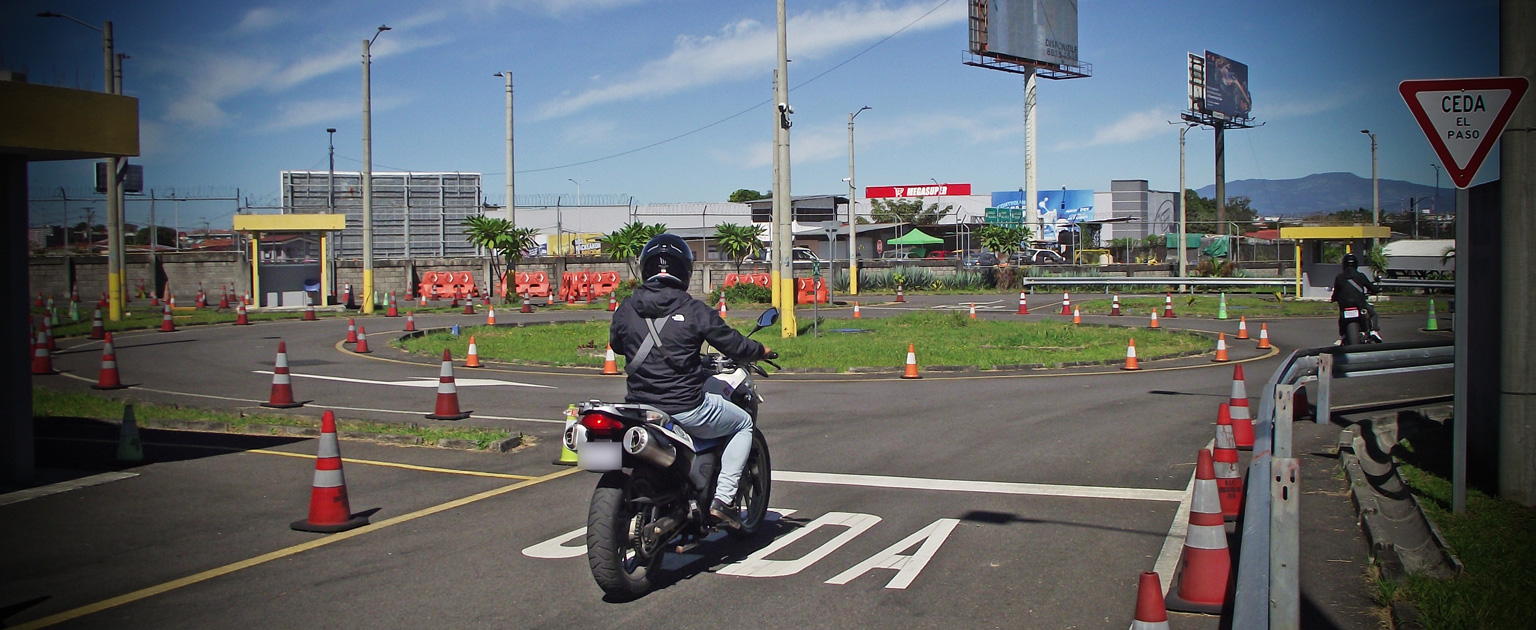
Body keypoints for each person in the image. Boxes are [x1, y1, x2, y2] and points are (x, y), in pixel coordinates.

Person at [609, 233, 772, 528]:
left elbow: (619, 345)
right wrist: (759, 350)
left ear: (645, 267)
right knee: (742, 424)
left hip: (639, 406)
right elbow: (732, 344)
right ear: (684, 270)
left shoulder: (626, 308)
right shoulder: (693, 309)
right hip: (685, 407)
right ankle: (723, 499)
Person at [1331, 253, 1383, 342]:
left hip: (1345, 305)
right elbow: (1372, 288)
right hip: (1360, 304)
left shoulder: (1339, 277)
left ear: (1344, 264)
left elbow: (1336, 292)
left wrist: (1333, 298)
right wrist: (1378, 288)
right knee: (1373, 314)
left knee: (1341, 318)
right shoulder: (1360, 276)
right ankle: (1373, 331)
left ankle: (1343, 335)